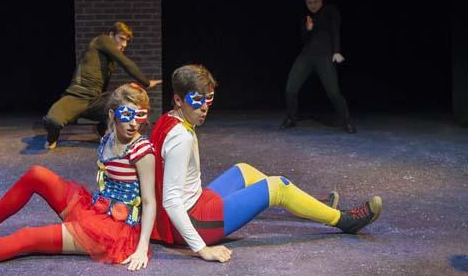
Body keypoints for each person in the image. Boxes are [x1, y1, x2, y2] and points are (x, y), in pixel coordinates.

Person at [0, 83, 156, 270]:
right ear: (112, 115)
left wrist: (142, 248)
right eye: (127, 115)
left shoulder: (142, 150)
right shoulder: (109, 137)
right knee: (37, 174)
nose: (134, 123)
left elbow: (149, 201)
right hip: (97, 209)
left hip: (114, 231)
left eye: (140, 116)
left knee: (27, 237)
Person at [151, 64, 381, 262]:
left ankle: (307, 205)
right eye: (196, 100)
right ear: (178, 100)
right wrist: (202, 250)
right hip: (196, 222)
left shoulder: (168, 119)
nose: (204, 107)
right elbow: (171, 200)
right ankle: (343, 220)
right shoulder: (180, 137)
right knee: (277, 186)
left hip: (195, 202)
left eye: (208, 99)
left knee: (244, 170)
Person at [42, 21, 161, 149]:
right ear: (111, 34)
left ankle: (102, 129)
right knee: (52, 121)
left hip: (95, 100)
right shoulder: (102, 40)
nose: (124, 44)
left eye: (126, 41)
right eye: (121, 39)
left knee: (121, 104)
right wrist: (146, 82)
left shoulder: (108, 61)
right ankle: (51, 139)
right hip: (77, 97)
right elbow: (126, 63)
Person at [281, 0, 356, 133]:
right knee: (290, 88)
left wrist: (336, 51)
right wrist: (308, 29)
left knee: (333, 92)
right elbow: (304, 39)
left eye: (316, 2)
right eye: (309, 3)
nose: (313, 5)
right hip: (306, 56)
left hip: (325, 56)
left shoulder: (330, 10)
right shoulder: (306, 17)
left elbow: (335, 30)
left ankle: (347, 121)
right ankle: (291, 118)